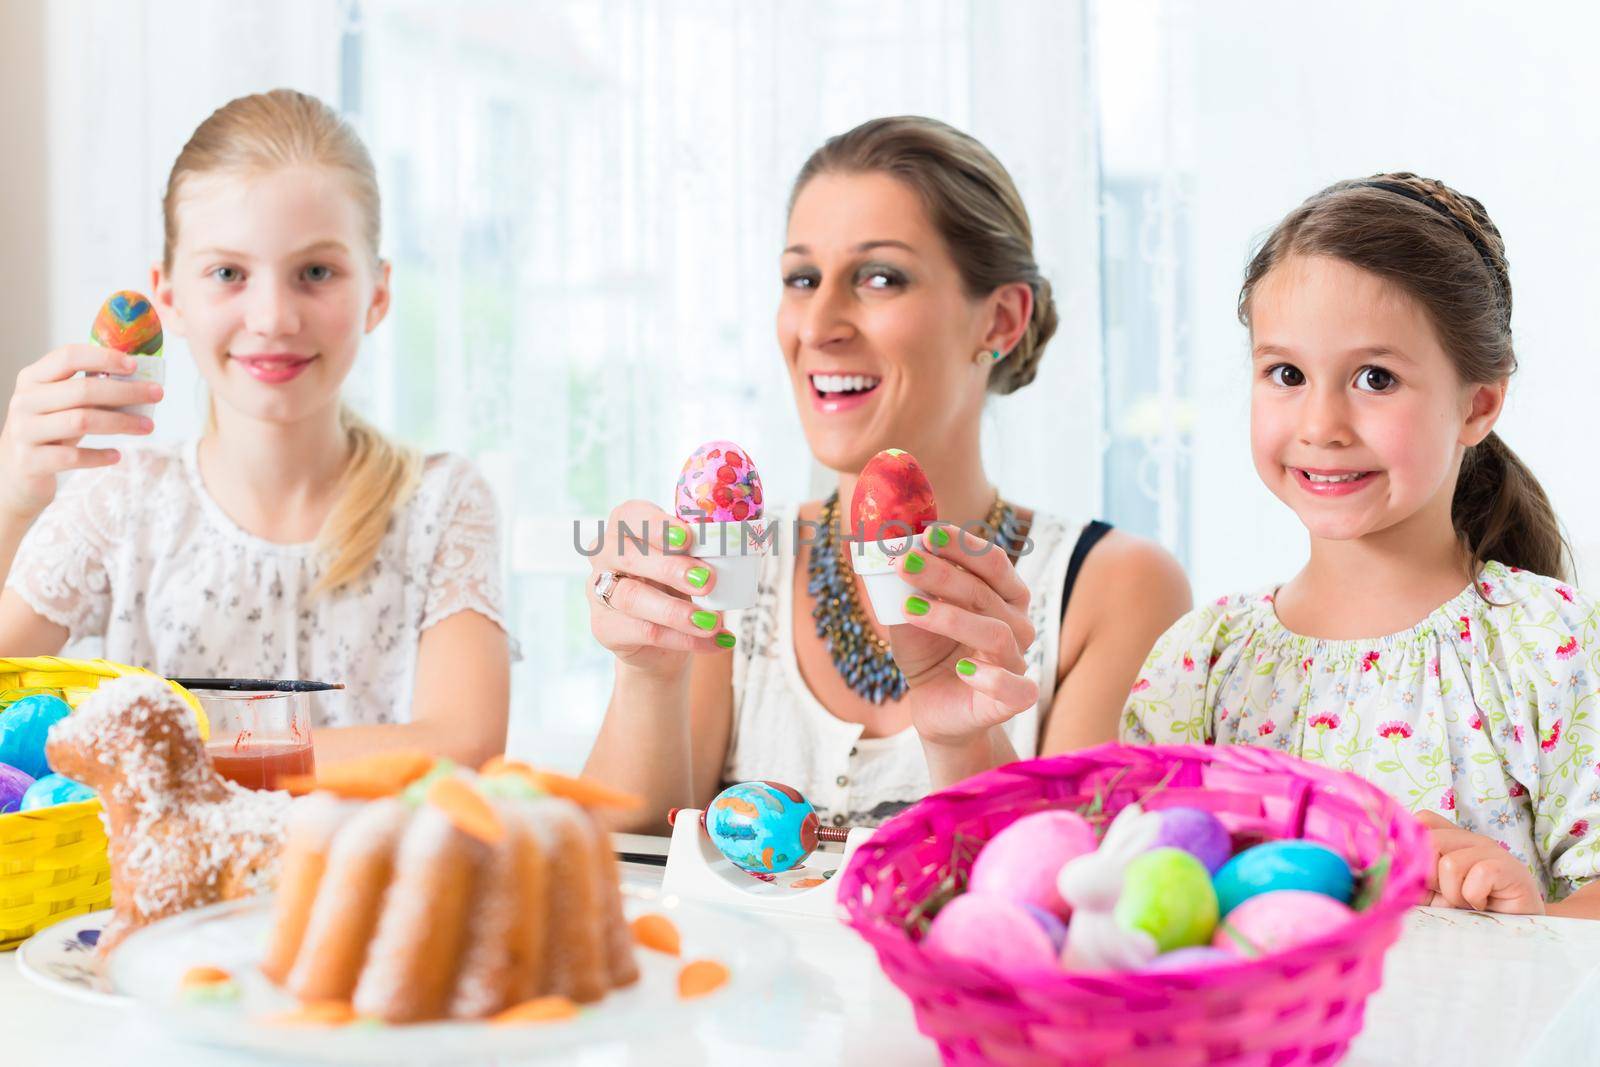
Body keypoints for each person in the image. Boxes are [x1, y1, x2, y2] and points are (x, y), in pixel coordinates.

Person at [586, 116, 1189, 830]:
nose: (817, 324)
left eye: (878, 277)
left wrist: (961, 739)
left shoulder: (1112, 588)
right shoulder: (740, 562)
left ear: (999, 320)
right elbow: (621, 869)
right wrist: (648, 672)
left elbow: (1058, 904)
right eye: (802, 278)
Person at [1123, 172, 1600, 918]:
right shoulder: (1202, 663)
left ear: (1478, 404)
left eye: (1375, 378)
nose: (1321, 423)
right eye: (1287, 373)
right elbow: (1143, 894)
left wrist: (1531, 924)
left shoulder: (1557, 646)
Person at [0, 89, 511, 766]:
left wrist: (171, 758)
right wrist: (14, 501)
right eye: (228, 272)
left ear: (378, 294)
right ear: (171, 296)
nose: (272, 316)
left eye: (316, 272)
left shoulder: (441, 503)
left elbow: (461, 745)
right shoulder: (119, 504)